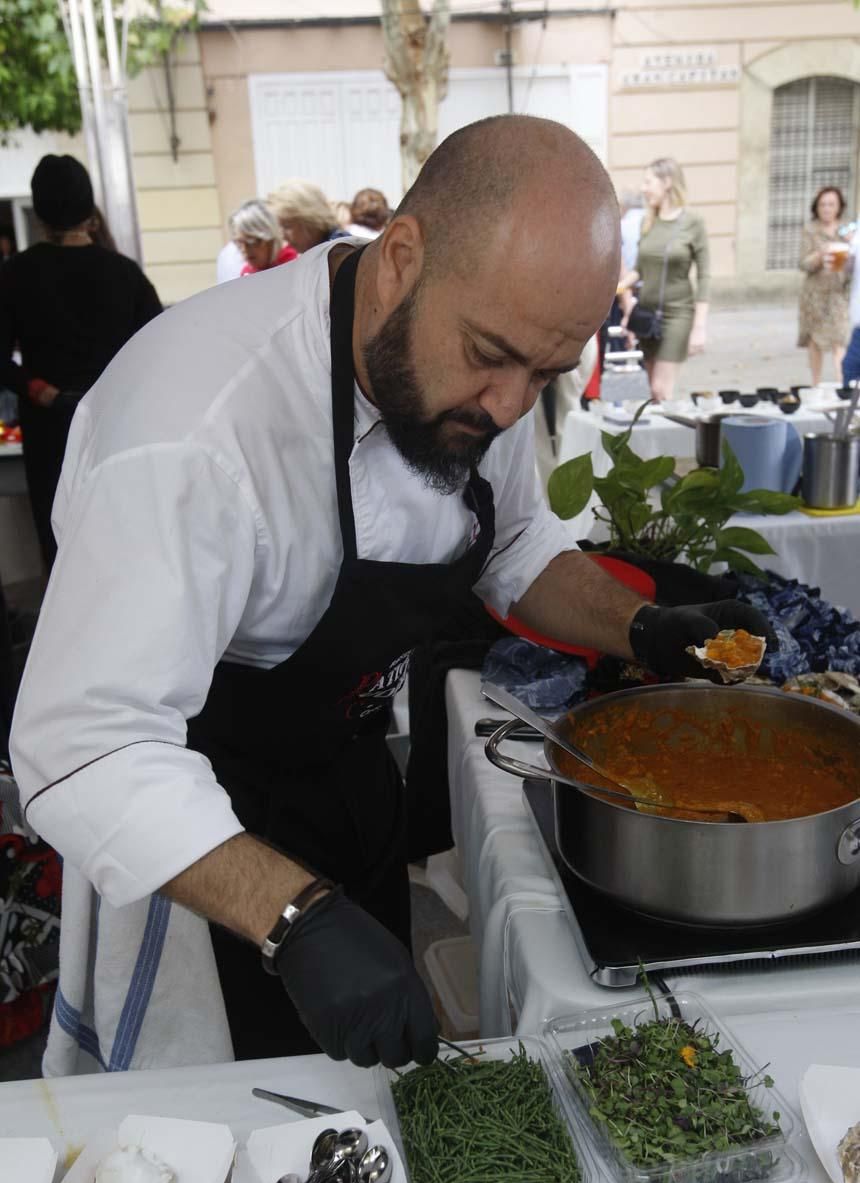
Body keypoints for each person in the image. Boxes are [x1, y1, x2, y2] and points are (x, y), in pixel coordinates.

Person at [10, 116, 771, 1077]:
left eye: (543, 372)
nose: (507, 406)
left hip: (351, 786)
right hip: (198, 845)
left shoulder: (491, 372)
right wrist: (297, 919)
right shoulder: (193, 428)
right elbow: (81, 742)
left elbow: (519, 546)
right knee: (245, 1136)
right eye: (492, 355)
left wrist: (645, 624)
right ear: (402, 256)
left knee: (374, 1111)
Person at [0, 155, 162, 570]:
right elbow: (158, 349)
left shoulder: (16, 274)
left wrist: (43, 392)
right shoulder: (125, 273)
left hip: (51, 427)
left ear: (39, 210)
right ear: (89, 207)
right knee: (124, 540)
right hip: (118, 424)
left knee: (62, 551)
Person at [618, 158, 710, 402]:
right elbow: (639, 270)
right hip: (647, 316)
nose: (643, 188)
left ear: (667, 182)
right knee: (651, 392)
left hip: (677, 316)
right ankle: (659, 438)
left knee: (661, 388)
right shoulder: (648, 222)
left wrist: (699, 327)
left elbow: (704, 276)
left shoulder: (692, 223)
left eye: (648, 182)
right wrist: (620, 291)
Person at [798, 187, 852, 385]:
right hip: (815, 293)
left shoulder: (847, 229)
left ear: (839, 207)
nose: (827, 209)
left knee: (840, 338)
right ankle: (816, 384)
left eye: (831, 204)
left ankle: (841, 384)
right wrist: (820, 255)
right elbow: (803, 263)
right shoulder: (810, 230)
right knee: (815, 341)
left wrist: (851, 245)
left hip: (838, 292)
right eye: (823, 204)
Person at [267, 179, 349, 253]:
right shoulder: (318, 250)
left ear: (310, 219)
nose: (283, 236)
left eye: (287, 226)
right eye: (280, 227)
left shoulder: (339, 251)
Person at [230, 199, 298, 276]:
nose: (244, 249)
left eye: (251, 241)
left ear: (270, 238)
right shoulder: (247, 272)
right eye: (240, 242)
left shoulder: (292, 263)